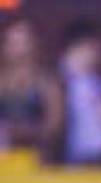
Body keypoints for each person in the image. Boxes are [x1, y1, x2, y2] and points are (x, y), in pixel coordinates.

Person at [58, 20, 101, 165]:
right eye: (92, 48)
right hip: (73, 160)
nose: (96, 54)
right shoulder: (62, 81)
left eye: (98, 48)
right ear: (75, 49)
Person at [0, 18, 62, 159]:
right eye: (12, 43)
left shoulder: (46, 82)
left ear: (34, 45)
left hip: (36, 158)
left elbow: (54, 126)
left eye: (23, 43)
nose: (17, 49)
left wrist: (24, 133)